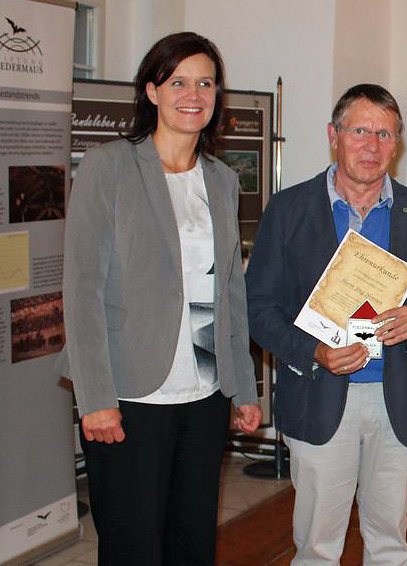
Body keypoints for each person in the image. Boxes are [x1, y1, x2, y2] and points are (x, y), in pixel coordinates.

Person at [57, 32, 262, 565]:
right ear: (151, 91)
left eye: (205, 84)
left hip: (205, 395)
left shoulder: (221, 180)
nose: (193, 95)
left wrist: (243, 387)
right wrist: (95, 398)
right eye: (178, 82)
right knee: (133, 547)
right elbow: (82, 289)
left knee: (192, 544)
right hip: (130, 396)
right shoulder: (108, 166)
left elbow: (230, 291)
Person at [245, 84, 407, 565]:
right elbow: (257, 308)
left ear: (397, 143)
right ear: (334, 135)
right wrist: (313, 351)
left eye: (385, 134)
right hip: (319, 396)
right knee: (317, 547)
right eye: (360, 131)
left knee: (389, 544)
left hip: (396, 398)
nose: (372, 145)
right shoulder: (289, 209)